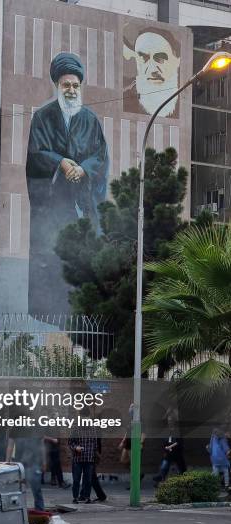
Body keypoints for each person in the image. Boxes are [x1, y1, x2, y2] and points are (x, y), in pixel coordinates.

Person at [26, 52, 109, 316]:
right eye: (66, 85)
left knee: (85, 263)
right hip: (54, 208)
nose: (71, 90)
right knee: (54, 262)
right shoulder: (42, 117)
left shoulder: (90, 120)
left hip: (83, 206)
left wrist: (83, 169)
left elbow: (100, 157)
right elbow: (36, 154)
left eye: (75, 86)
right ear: (57, 86)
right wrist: (61, 163)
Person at [123, 29, 180, 117]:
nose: (152, 70)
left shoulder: (185, 102)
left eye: (160, 58)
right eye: (143, 58)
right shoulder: (124, 101)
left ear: (177, 61)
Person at [6, 433, 45, 511]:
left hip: (34, 462)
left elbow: (42, 446)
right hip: (19, 463)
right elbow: (10, 445)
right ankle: (18, 511)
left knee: (36, 488)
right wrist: (7, 462)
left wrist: (44, 461)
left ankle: (40, 511)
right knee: (18, 489)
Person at [69, 414, 99, 504]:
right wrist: (75, 448)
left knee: (88, 479)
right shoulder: (75, 428)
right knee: (76, 479)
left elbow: (95, 443)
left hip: (89, 459)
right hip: (77, 459)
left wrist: (94, 455)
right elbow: (70, 442)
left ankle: (87, 497)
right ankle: (75, 497)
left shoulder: (93, 428)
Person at [153, 420, 186, 484]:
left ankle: (185, 479)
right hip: (169, 453)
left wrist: (170, 447)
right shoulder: (168, 433)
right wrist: (166, 448)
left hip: (177, 453)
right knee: (164, 465)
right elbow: (166, 442)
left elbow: (178, 442)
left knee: (181, 467)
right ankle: (160, 477)